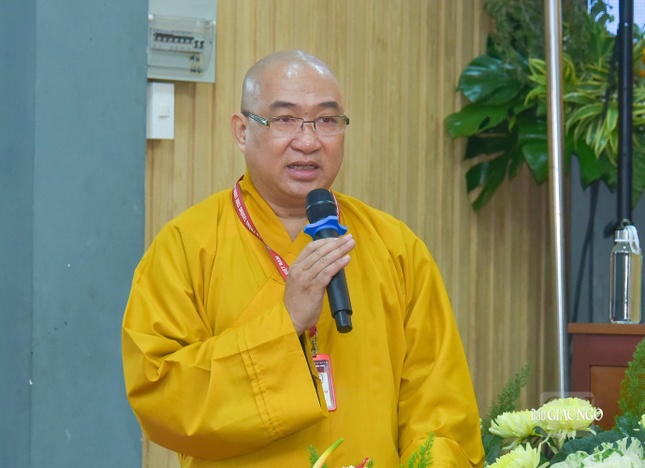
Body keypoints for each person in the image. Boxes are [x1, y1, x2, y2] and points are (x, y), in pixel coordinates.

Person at [122, 49, 485, 467]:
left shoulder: (396, 247)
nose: (309, 141)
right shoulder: (186, 246)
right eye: (285, 119)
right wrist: (285, 323)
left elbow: (440, 413)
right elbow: (161, 394)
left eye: (327, 121)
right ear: (242, 131)